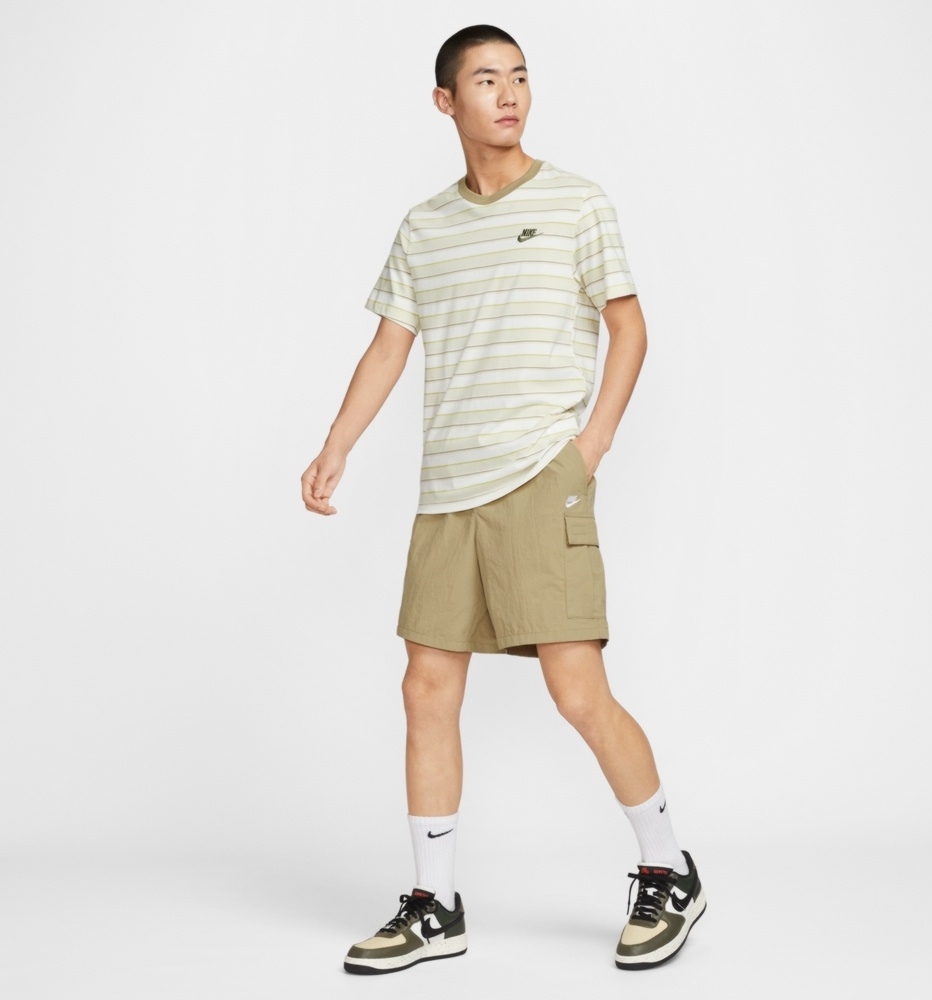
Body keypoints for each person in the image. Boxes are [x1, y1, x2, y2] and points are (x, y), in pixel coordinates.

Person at [301, 24, 706, 975]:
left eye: (519, 76)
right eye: (486, 80)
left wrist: (590, 446)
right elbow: (389, 346)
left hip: (537, 479)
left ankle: (669, 869)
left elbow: (629, 327)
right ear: (447, 102)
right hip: (447, 490)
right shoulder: (424, 226)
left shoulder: (575, 202)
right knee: (426, 688)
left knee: (577, 689)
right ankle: (434, 905)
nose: (509, 93)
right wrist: (336, 446)